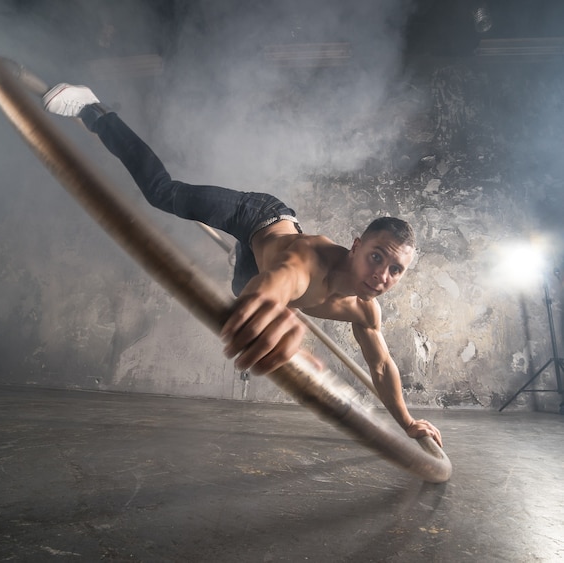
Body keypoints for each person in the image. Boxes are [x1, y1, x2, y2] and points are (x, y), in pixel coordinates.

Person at [43, 83, 443, 448]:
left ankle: (247, 263)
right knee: (162, 193)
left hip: (260, 266)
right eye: (377, 257)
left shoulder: (364, 310)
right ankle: (96, 111)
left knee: (244, 284)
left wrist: (408, 422)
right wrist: (272, 315)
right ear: (355, 247)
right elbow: (274, 287)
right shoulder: (306, 262)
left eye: (396, 270)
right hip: (260, 219)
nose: (382, 275)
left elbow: (381, 365)